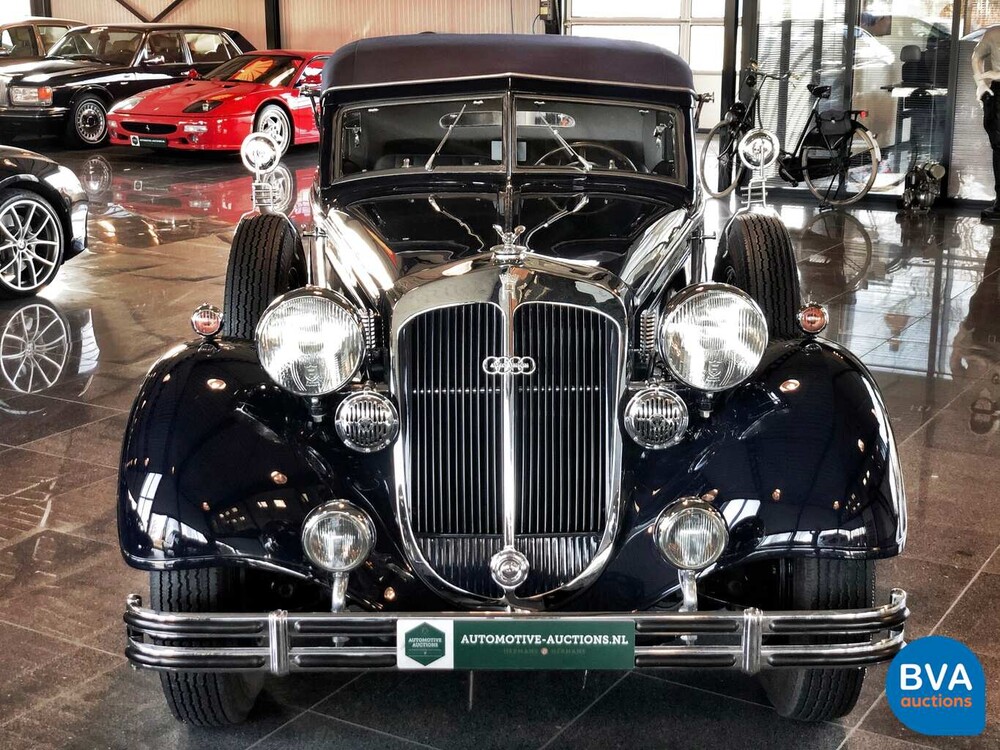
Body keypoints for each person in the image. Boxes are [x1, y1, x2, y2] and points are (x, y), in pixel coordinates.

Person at [972, 26, 1000, 221]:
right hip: (998, 94)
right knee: (999, 146)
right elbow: (976, 56)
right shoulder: (994, 34)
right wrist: (980, 82)